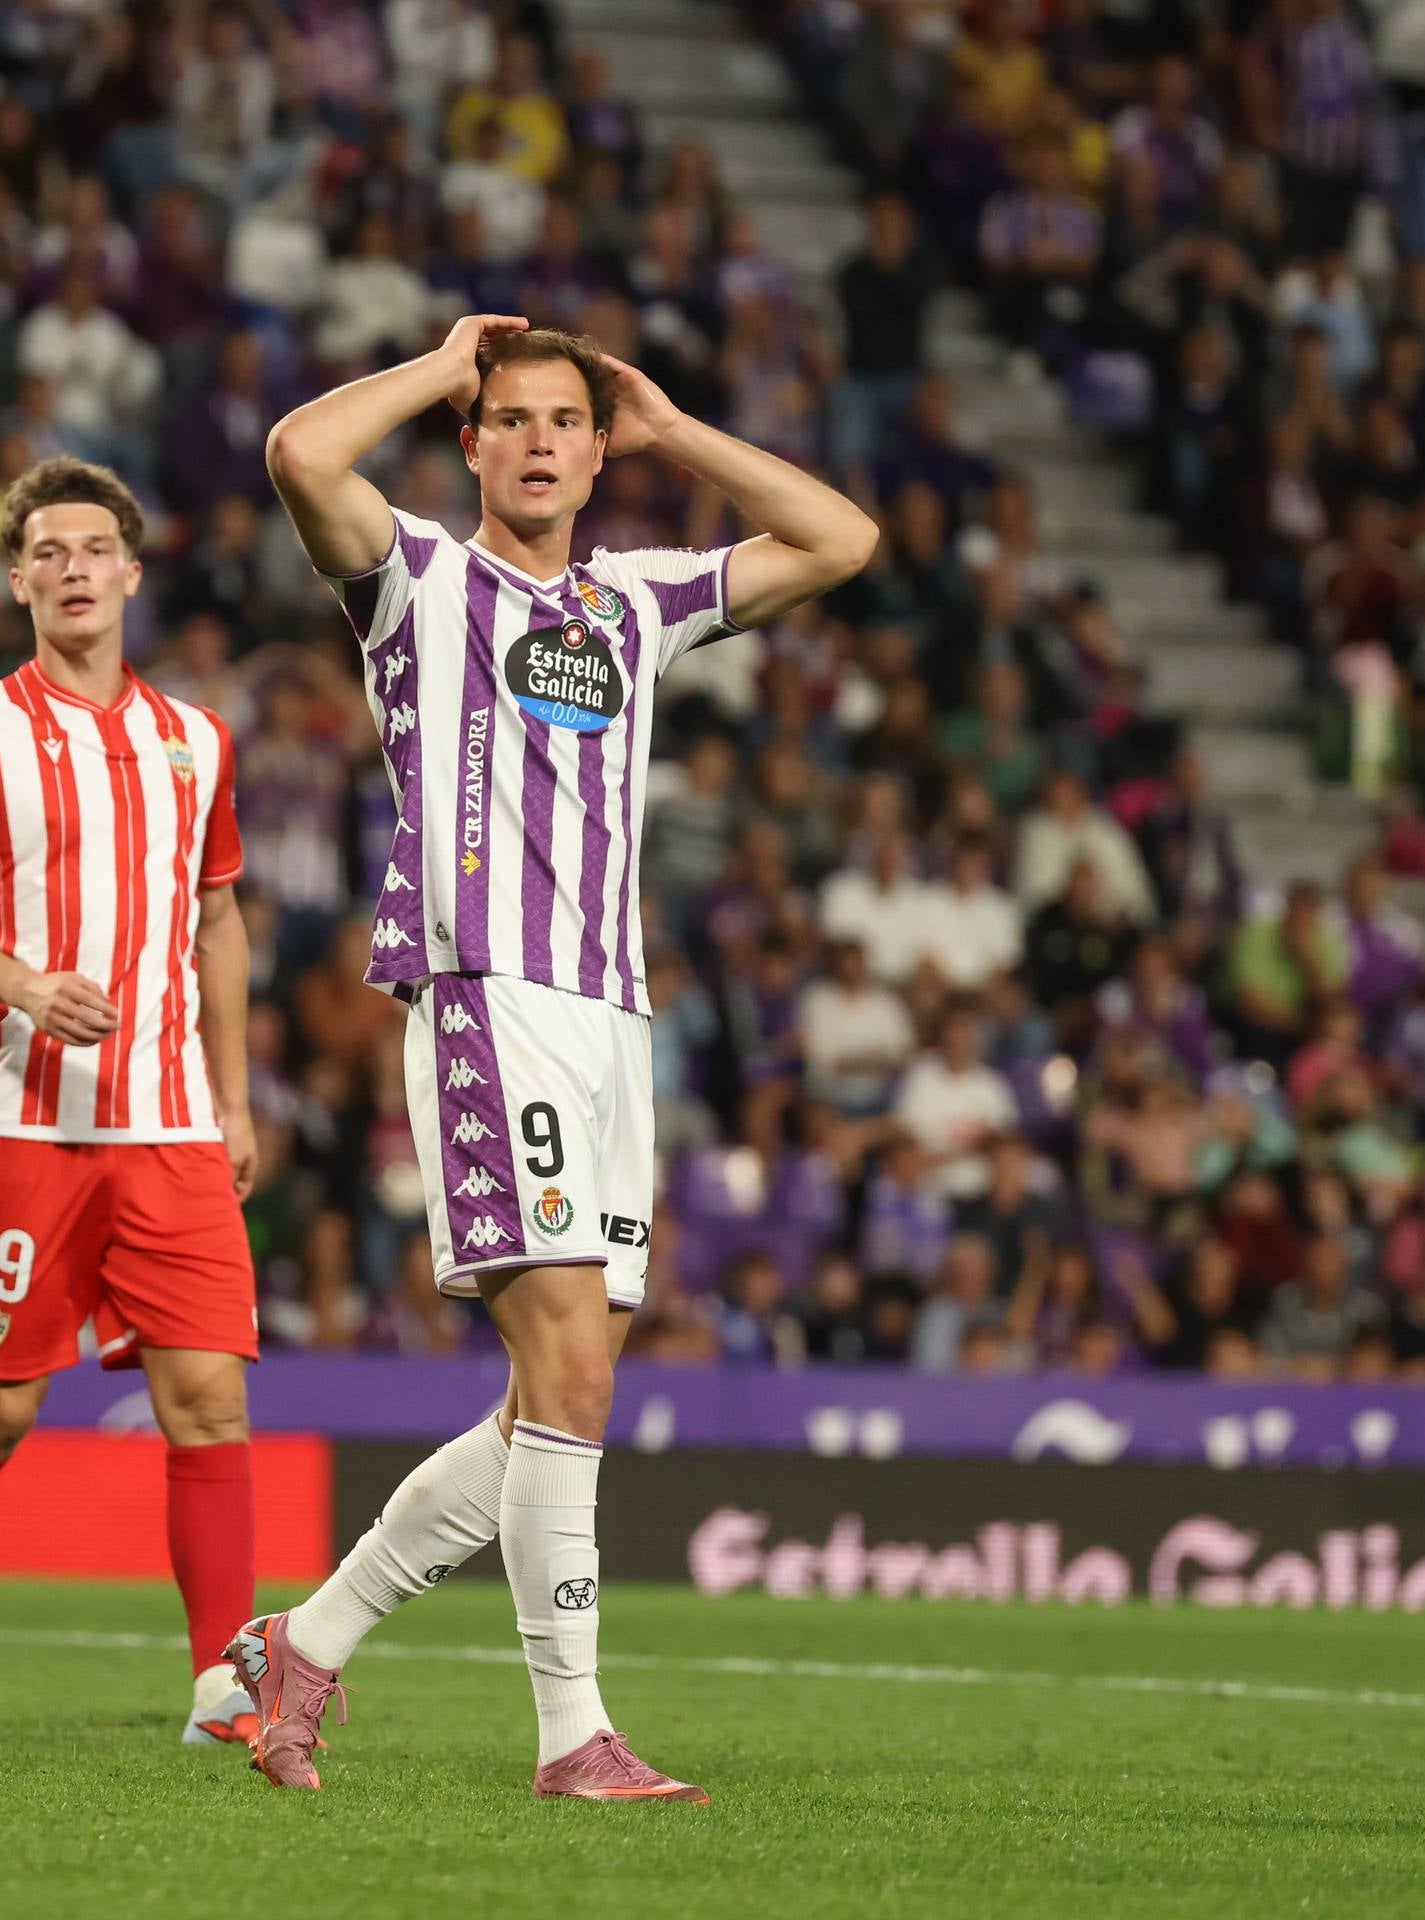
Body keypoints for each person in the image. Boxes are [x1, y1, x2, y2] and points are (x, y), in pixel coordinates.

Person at [239, 315, 874, 1800]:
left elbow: (840, 539)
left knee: (552, 1396)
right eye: (507, 418)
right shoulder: (412, 576)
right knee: (573, 1367)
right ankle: (570, 1737)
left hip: (610, 1019)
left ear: (597, 450)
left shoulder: (639, 601)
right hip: (484, 995)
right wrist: (443, 357)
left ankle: (307, 1645)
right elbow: (294, 453)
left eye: (563, 422)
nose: (534, 441)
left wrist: (677, 428)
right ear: (469, 441)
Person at [0, 458, 262, 1752]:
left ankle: (221, 1688)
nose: (75, 569)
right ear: (18, 579)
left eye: (96, 548)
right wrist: (27, 986)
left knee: (207, 1398)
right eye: (49, 551)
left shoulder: (195, 739)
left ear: (132, 572)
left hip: (169, 1124)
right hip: (22, 1124)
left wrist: (237, 1097)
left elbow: (218, 919)